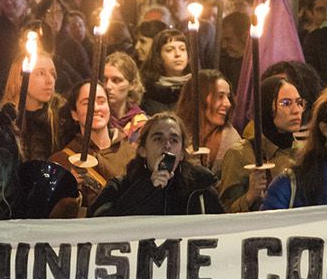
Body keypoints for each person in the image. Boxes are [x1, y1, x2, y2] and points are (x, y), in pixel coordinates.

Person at [90, 111, 221, 218]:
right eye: (158, 139)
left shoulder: (201, 190)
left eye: (174, 140)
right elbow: (98, 225)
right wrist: (146, 188)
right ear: (143, 150)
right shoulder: (119, 187)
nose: (167, 145)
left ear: (181, 154)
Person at [218, 72, 303, 213]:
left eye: (299, 103)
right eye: (286, 103)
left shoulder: (305, 153)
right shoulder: (240, 154)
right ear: (266, 107)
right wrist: (250, 196)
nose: (296, 110)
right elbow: (223, 212)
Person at [51, 80, 134, 214]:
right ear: (74, 114)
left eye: (101, 101)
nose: (95, 108)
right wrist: (70, 192)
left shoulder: (131, 153)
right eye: (86, 103)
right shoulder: (61, 161)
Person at [0, 49, 68, 163]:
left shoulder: (63, 116)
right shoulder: (2, 118)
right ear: (21, 77)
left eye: (52, 74)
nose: (49, 80)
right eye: (40, 73)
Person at [175, 68, 240, 170]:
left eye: (228, 97)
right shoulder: (175, 132)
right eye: (220, 96)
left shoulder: (232, 141)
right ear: (199, 98)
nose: (228, 103)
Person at [140, 28, 191, 113]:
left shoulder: (197, 88)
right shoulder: (147, 91)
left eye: (182, 49)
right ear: (158, 56)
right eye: (170, 50)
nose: (178, 54)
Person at [102, 51, 146, 139]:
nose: (108, 86)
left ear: (132, 84)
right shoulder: (95, 118)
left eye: (116, 80)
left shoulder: (142, 124)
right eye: (104, 79)